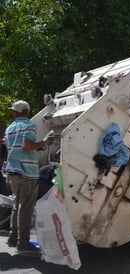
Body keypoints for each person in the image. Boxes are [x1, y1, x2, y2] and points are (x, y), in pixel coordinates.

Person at [4, 100, 53, 255]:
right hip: (27, 172)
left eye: (13, 111)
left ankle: (13, 238)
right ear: (26, 111)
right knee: (26, 207)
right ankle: (23, 243)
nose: (12, 113)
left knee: (16, 205)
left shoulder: (10, 128)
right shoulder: (29, 126)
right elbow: (26, 146)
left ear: (17, 112)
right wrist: (45, 142)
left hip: (12, 171)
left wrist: (39, 145)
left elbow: (18, 148)